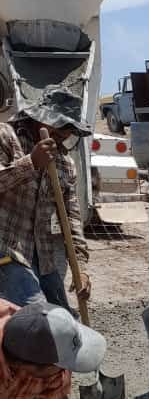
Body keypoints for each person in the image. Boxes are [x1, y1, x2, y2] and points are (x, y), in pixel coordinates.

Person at [0, 86, 92, 313]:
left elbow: (71, 216)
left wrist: (79, 265)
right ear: (40, 116)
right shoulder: (6, 136)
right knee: (40, 318)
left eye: (70, 128)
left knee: (65, 318)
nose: (64, 133)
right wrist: (32, 162)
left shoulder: (64, 162)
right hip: (6, 250)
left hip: (42, 256)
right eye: (60, 125)